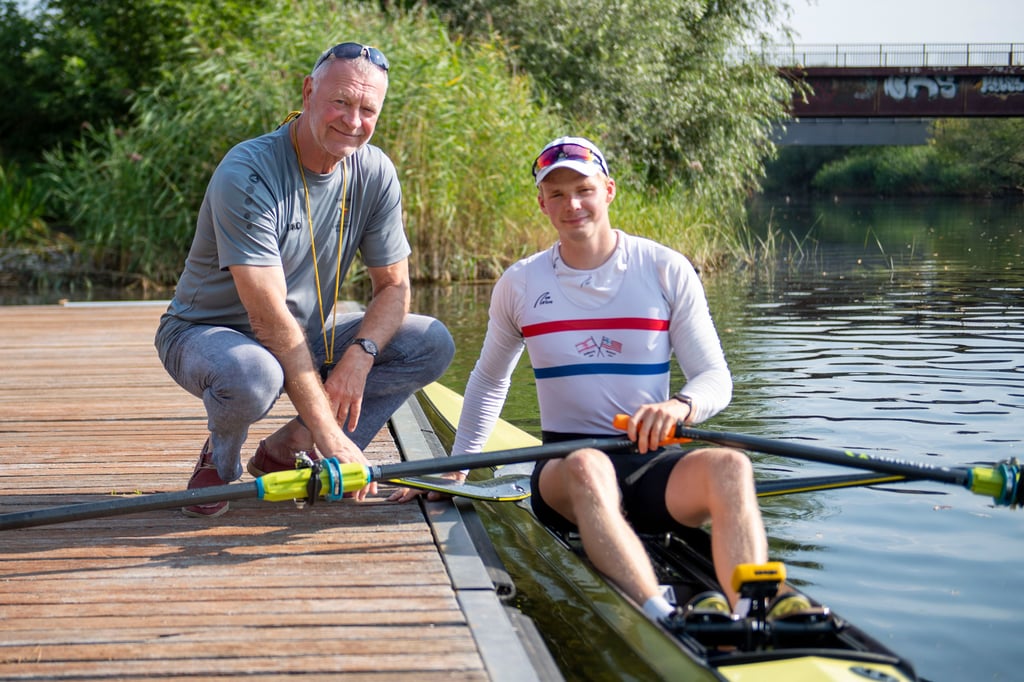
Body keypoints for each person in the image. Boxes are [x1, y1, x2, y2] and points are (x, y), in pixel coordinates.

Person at [402, 136, 788, 622]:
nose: (573, 204)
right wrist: (457, 469)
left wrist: (680, 407)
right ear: (542, 204)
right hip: (564, 468)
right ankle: (660, 615)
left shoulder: (665, 269)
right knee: (589, 465)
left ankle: (752, 609)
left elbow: (714, 378)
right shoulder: (520, 284)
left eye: (583, 189)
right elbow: (489, 381)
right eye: (557, 194)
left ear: (608, 190)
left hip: (650, 460)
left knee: (731, 467)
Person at [155, 42, 455, 518]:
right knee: (255, 374)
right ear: (309, 90)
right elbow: (268, 318)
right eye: (340, 102)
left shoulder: (374, 172)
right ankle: (222, 462)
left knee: (430, 341)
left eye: (367, 109)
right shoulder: (248, 171)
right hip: (207, 335)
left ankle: (290, 446)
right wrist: (334, 434)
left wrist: (360, 357)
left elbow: (395, 287)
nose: (352, 121)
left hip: (302, 335)